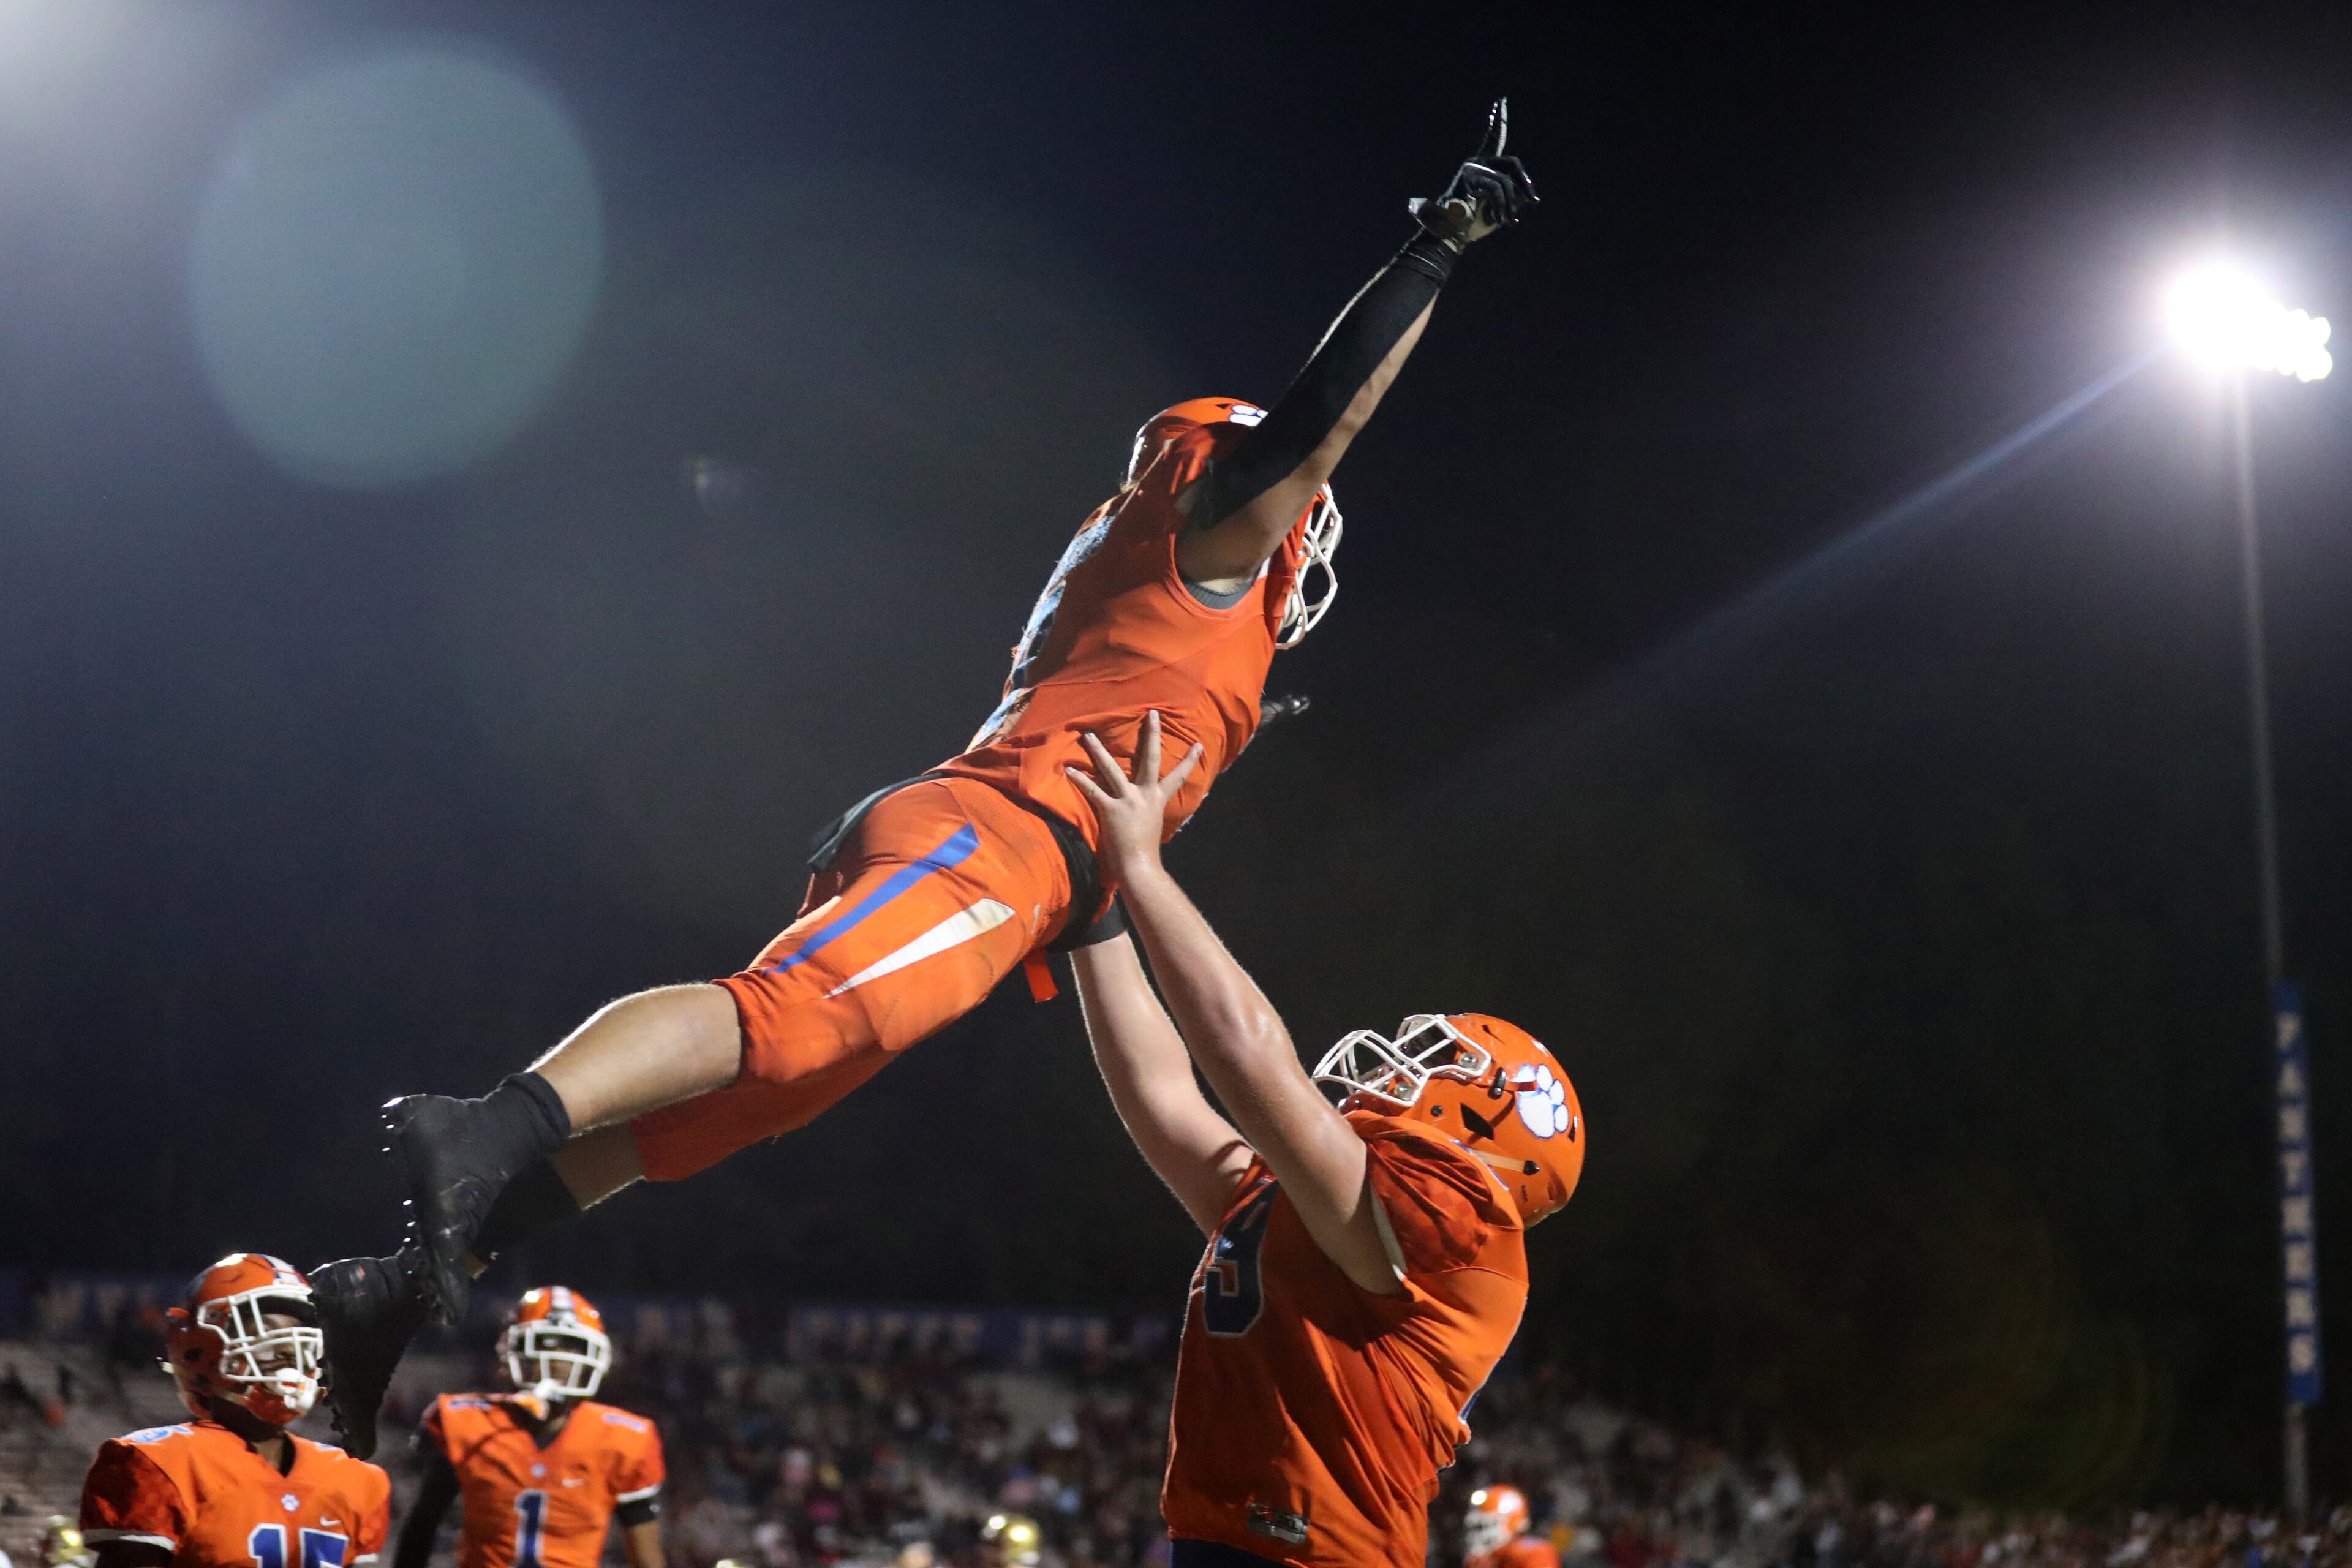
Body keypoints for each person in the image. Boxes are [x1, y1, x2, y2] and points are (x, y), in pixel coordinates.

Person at [312, 100, 1540, 1458]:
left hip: (1021, 857)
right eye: (1291, 500)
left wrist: (1116, 888)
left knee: (720, 1115)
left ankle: (396, 1285)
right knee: (789, 1020)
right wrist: (1436, 250)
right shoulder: (1208, 537)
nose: (1302, 531)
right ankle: (484, 1122)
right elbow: (1323, 419)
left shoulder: (1167, 588)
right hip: (999, 835)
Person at [1061, 713, 1585, 1567]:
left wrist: (1142, 870)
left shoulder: (1458, 1231)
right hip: (1231, 1541)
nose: (1399, 1070)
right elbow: (1162, 1096)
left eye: (1438, 1063)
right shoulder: (1318, 1204)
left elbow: (1249, 1058)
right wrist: (1096, 920)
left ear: (1492, 1127)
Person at [77, 1257, 389, 1568]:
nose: (288, 1348)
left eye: (297, 1330)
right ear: (201, 1350)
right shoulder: (162, 1465)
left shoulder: (351, 1479)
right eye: (266, 1329)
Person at [392, 1287, 663, 1568]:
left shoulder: (622, 1439)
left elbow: (646, 1557)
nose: (559, 1358)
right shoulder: (466, 1424)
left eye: (571, 1346)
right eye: (547, 1343)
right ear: (513, 1351)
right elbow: (421, 1530)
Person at [1465, 1487, 1559, 1568]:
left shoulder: (1534, 1553)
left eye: (1487, 1526)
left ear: (1513, 1522)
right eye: (1478, 1527)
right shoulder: (1480, 1559)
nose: (1481, 1534)